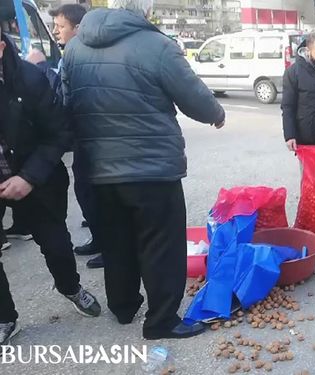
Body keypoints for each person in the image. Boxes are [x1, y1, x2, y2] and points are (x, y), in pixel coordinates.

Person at [62, 0, 225, 339]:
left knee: (117, 240)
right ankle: (161, 321)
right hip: (152, 168)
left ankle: (123, 308)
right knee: (161, 245)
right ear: (143, 12)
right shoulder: (156, 45)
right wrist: (216, 113)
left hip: (98, 167)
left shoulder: (75, 47)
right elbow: (194, 97)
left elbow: (64, 101)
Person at [0, 33, 102, 345]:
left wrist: (28, 177)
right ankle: (5, 317)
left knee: (57, 246)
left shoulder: (30, 80)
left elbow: (59, 134)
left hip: (35, 179)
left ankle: (70, 287)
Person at [26, 4, 102, 269]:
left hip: (89, 135)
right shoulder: (71, 52)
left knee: (92, 190)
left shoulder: (78, 54)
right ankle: (100, 237)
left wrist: (38, 69)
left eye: (60, 27)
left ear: (77, 29)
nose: (56, 32)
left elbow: (59, 96)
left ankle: (106, 242)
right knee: (85, 188)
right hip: (83, 134)